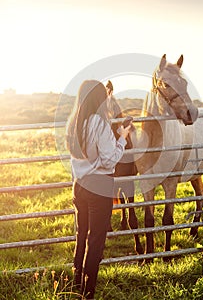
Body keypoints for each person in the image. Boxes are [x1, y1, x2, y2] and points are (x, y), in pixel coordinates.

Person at [65, 80, 132, 299]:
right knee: (96, 240)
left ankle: (76, 283)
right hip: (99, 186)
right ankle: (88, 292)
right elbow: (109, 159)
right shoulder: (100, 123)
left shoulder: (73, 122)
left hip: (79, 185)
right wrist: (121, 139)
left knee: (81, 234)